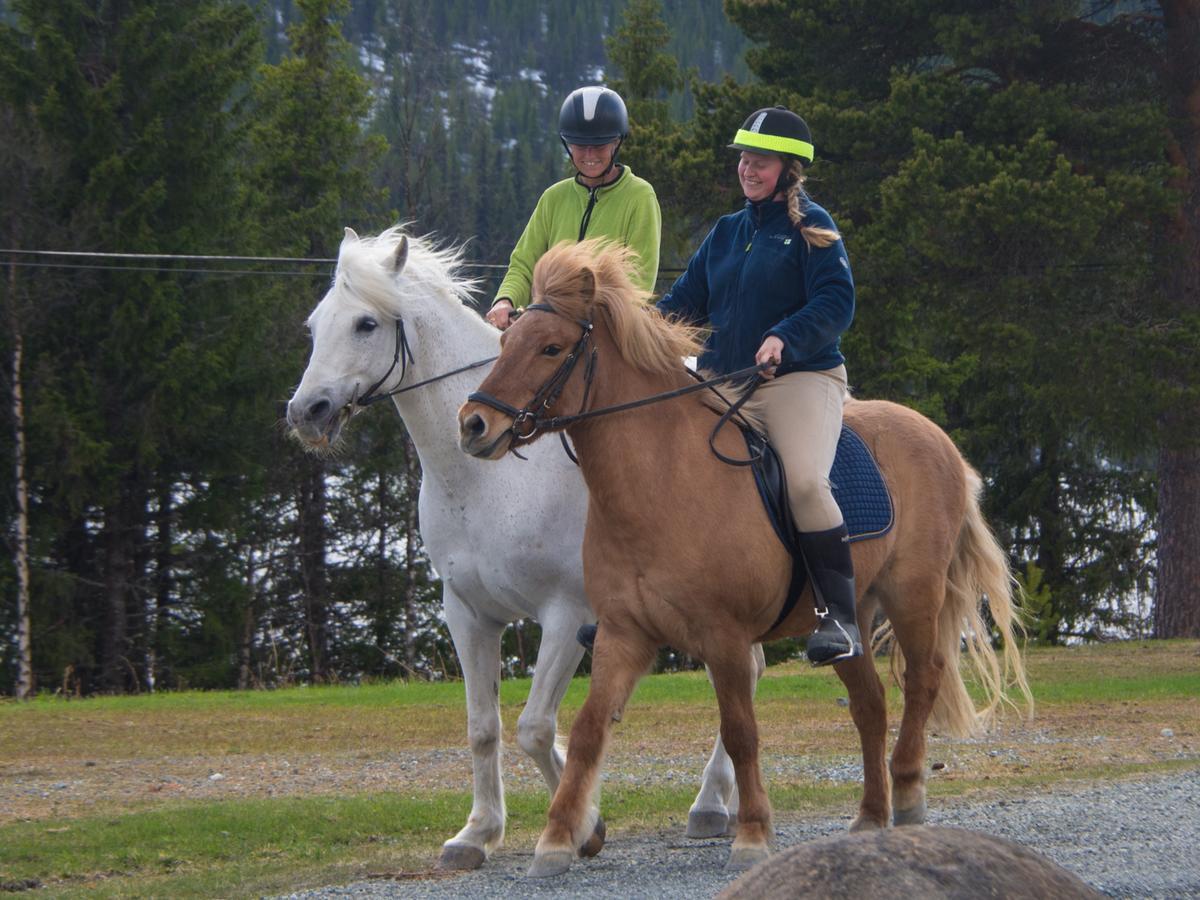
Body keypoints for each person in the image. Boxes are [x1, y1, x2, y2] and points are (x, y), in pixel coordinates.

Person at [656, 106, 862, 666]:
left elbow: (837, 303)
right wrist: (636, 327)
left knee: (804, 485)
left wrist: (783, 337)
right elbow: (681, 305)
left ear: (788, 169)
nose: (748, 168)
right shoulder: (726, 232)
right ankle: (638, 607)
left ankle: (837, 617)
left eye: (761, 161)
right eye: (744, 158)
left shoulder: (814, 228)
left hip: (800, 379)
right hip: (726, 383)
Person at [486, 85, 661, 330]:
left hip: (608, 334)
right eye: (579, 144)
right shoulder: (553, 198)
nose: (589, 154)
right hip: (548, 330)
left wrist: (576, 314)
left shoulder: (640, 196)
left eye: (598, 144)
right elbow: (524, 264)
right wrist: (506, 300)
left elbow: (637, 282)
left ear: (617, 142)